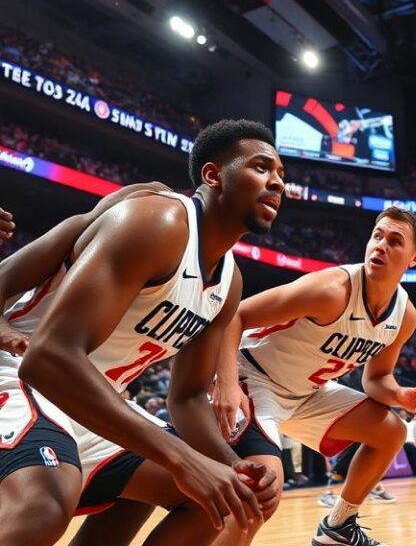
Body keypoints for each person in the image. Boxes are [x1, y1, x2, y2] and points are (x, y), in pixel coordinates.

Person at [0, 119, 284, 546]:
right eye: (261, 168)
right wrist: (182, 458)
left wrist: (230, 463)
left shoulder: (229, 283)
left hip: (90, 400)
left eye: (281, 174)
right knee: (44, 503)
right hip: (20, 374)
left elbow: (187, 397)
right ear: (213, 176)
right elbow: (47, 358)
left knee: (219, 499)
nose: (278, 183)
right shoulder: (157, 222)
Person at [212, 205, 416, 546]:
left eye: (394, 241)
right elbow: (234, 316)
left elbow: (376, 379)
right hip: (254, 378)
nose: (380, 245)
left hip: (308, 392)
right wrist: (226, 383)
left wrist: (398, 395)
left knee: (392, 431)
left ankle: (338, 526)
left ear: (413, 259)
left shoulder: (404, 317)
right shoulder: (331, 290)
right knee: (262, 492)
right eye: (377, 236)